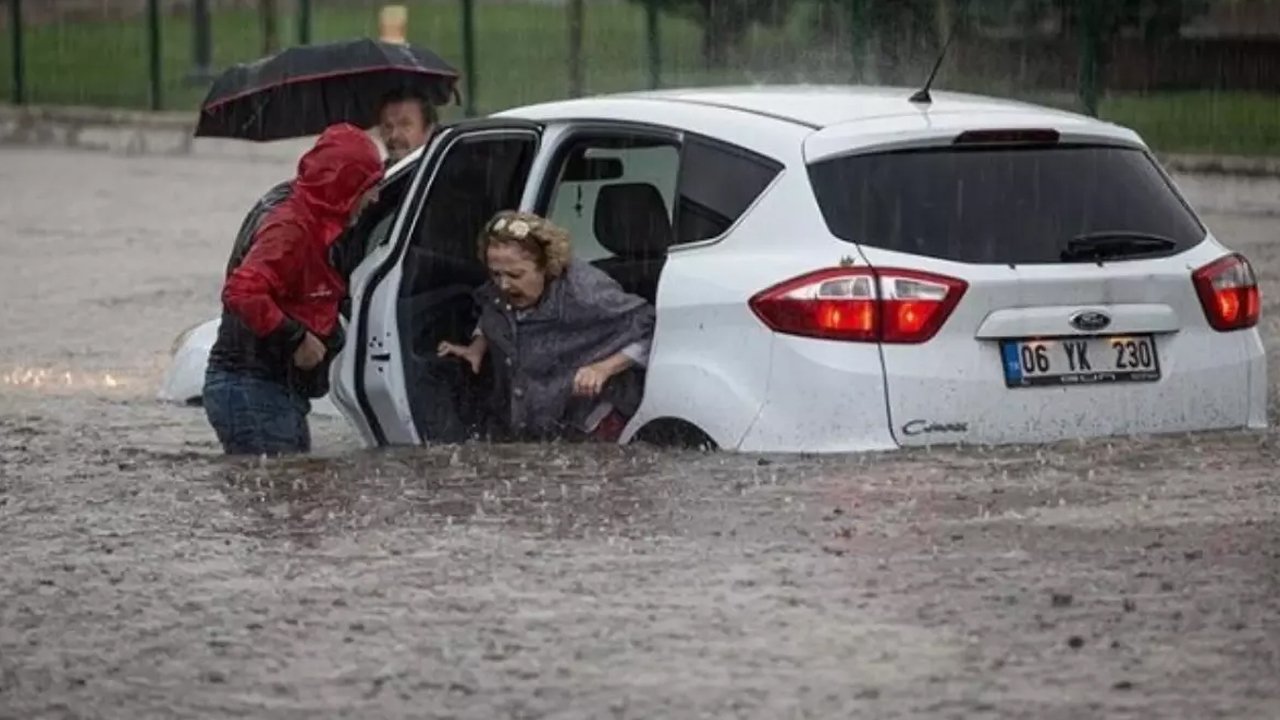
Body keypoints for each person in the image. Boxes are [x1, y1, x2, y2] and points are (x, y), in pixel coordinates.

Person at [203, 123, 384, 456]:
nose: (376, 197)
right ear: (345, 186)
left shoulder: (308, 208)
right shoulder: (291, 228)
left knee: (291, 498)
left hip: (266, 389)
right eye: (370, 186)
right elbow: (242, 292)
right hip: (253, 390)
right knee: (285, 502)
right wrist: (296, 337)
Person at [437, 211, 656, 443]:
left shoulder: (585, 293)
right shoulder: (499, 290)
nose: (503, 284)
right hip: (534, 421)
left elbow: (650, 326)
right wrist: (478, 345)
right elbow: (493, 311)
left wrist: (603, 369)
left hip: (592, 422)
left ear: (546, 265)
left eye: (515, 274)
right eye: (495, 274)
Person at [224, 88, 438, 276]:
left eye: (405, 125)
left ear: (429, 130)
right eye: (387, 126)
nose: (394, 136)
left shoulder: (442, 181)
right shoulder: (364, 182)